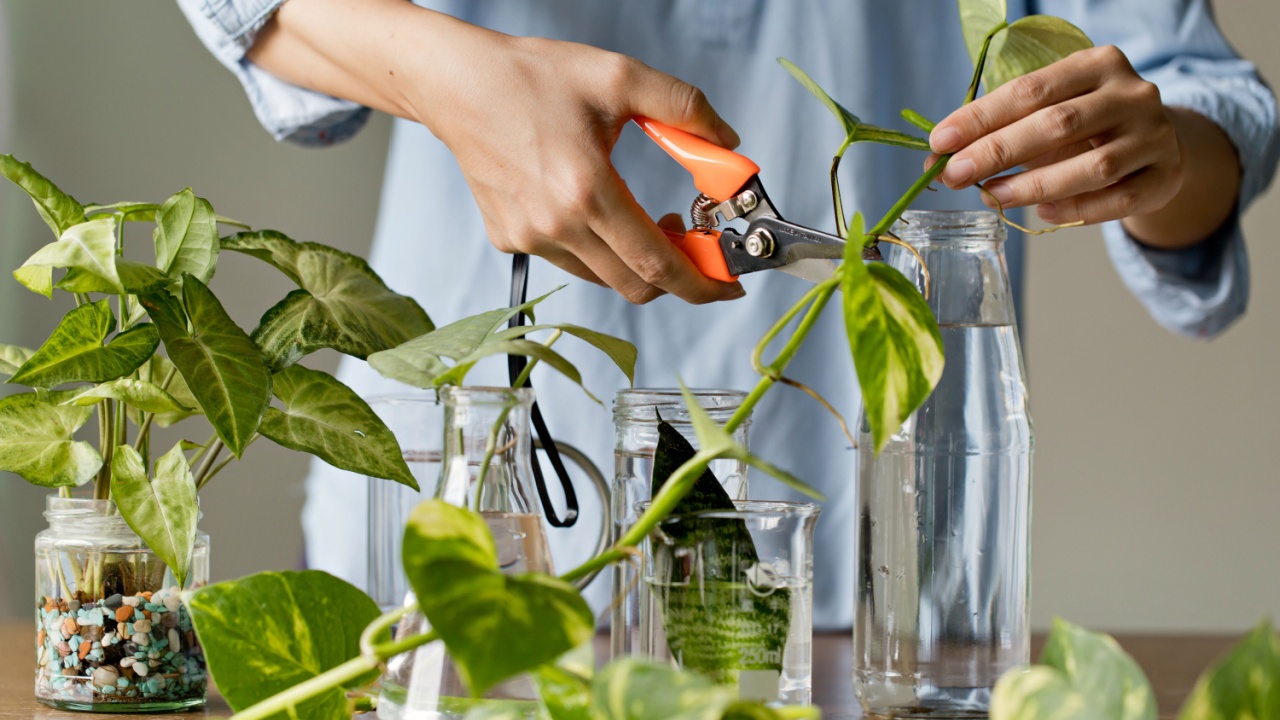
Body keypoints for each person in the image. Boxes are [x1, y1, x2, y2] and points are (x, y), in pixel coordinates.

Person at [177, 0, 1278, 627]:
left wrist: (1157, 153)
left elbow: (1200, 95)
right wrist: (456, 77)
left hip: (866, 560)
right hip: (467, 538)